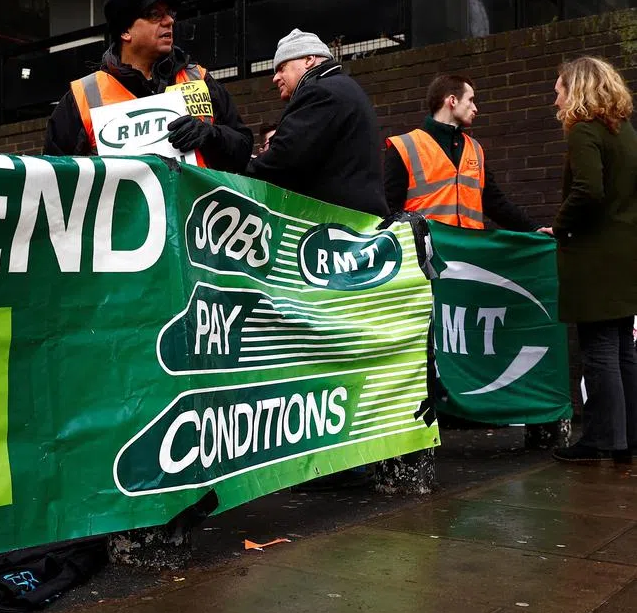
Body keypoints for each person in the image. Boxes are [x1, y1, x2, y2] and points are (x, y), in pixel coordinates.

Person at [43, 0, 252, 173]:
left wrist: (212, 136)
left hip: (196, 211)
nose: (169, 21)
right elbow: (56, 179)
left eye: (169, 13)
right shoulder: (83, 97)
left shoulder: (200, 79)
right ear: (125, 32)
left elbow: (243, 150)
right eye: (154, 15)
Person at [548, 56, 637, 464]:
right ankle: (627, 438)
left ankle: (602, 439)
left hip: (595, 257)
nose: (556, 100)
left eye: (559, 90)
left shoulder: (583, 131)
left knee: (599, 350)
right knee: (622, 350)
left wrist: (560, 226)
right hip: (625, 255)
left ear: (578, 89)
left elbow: (588, 190)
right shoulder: (626, 134)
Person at [245, 28, 386, 217]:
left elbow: (284, 160)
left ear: (309, 60)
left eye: (281, 68)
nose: (275, 77)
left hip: (339, 225)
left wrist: (239, 172)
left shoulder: (319, 93)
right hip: (356, 220)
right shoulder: (342, 87)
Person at [385, 75, 543, 231]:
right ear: (452, 101)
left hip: (468, 253)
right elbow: (390, 212)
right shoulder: (404, 147)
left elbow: (495, 203)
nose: (475, 108)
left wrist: (534, 229)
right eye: (470, 100)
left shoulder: (475, 149)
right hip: (428, 253)